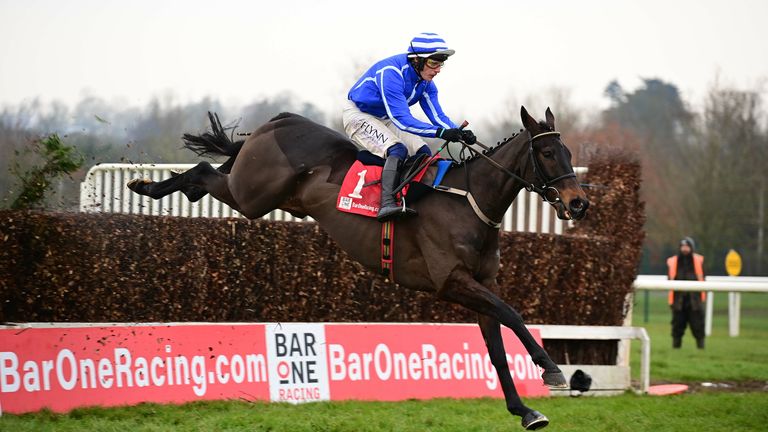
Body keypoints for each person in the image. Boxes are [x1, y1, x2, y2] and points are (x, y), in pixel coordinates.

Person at [343, 32, 477, 222]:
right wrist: (441, 132)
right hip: (359, 115)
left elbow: (438, 116)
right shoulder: (391, 73)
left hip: (385, 118)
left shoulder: (426, 83)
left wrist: (459, 132)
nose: (438, 69)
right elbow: (402, 120)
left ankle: (408, 200)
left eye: (441, 63)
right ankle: (387, 203)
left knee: (423, 152)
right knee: (397, 149)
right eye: (433, 63)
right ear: (416, 60)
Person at [666, 237, 706, 349]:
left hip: (695, 300)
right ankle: (676, 348)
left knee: (698, 325)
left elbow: (703, 279)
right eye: (682, 246)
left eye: (687, 246)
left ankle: (701, 348)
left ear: (691, 248)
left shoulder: (699, 261)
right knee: (677, 326)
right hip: (678, 300)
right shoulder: (673, 261)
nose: (684, 249)